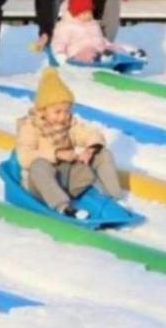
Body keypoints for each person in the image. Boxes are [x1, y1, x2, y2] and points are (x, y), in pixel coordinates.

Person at [15, 67, 125, 219]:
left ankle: (115, 199)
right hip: (41, 185)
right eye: (57, 111)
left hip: (67, 179)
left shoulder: (69, 124)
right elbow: (24, 157)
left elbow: (91, 134)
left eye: (66, 111)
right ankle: (63, 207)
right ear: (42, 110)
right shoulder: (31, 127)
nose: (63, 116)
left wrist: (91, 149)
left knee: (102, 153)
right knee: (39, 165)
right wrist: (57, 154)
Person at [50, 0, 146, 65]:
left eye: (89, 12)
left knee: (114, 47)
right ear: (75, 14)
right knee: (89, 52)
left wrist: (109, 45)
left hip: (100, 49)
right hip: (78, 54)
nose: (88, 15)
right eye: (84, 13)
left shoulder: (93, 24)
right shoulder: (66, 26)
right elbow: (59, 42)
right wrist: (59, 54)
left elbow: (99, 38)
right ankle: (100, 59)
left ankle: (131, 55)